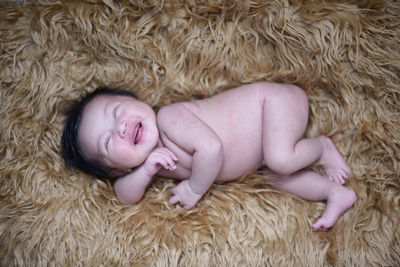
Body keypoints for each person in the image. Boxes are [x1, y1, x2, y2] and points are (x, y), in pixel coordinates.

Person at [62, 82, 356, 231]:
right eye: (108, 140)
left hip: (273, 106)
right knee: (275, 177)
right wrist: (146, 169)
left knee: (280, 159)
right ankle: (335, 193)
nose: (121, 127)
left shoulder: (168, 117)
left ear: (133, 100)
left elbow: (211, 150)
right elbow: (124, 196)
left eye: (116, 112)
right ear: (115, 170)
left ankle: (322, 146)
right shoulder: (151, 163)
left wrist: (193, 188)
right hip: (262, 156)